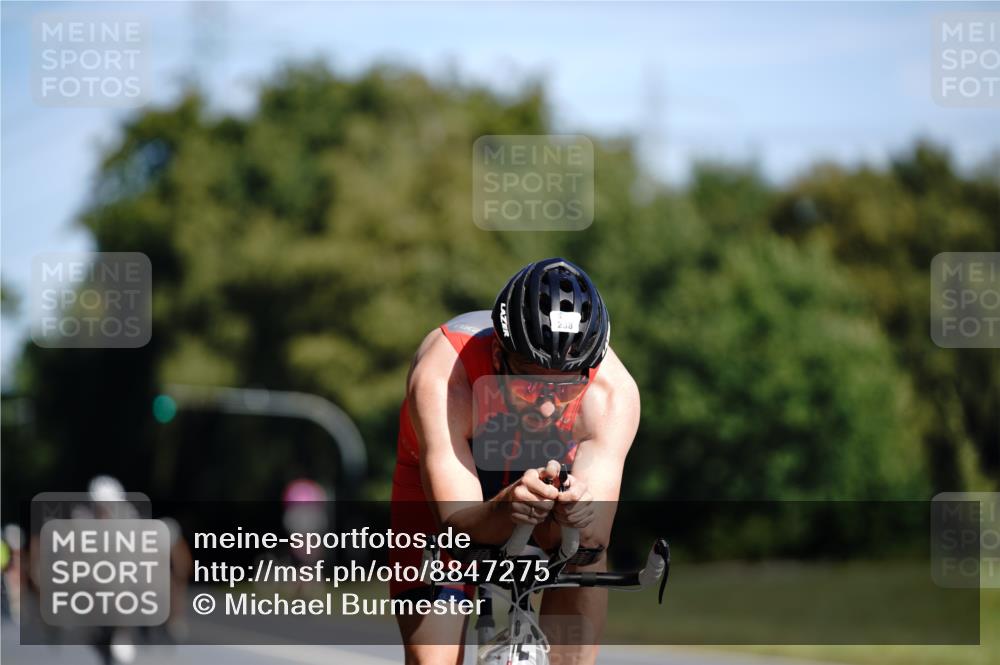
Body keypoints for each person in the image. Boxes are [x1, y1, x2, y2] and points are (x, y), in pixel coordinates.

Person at [390, 257, 640, 665]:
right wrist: (507, 506)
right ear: (497, 356)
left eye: (564, 391)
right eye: (528, 383)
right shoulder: (445, 375)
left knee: (584, 554)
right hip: (443, 494)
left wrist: (571, 513)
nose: (545, 408)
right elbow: (455, 527)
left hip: (543, 481)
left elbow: (590, 543)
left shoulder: (612, 394)